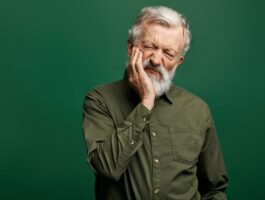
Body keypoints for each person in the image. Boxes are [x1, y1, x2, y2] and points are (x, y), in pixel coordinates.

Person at [82, 6, 228, 200]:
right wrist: (146, 102)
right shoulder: (100, 100)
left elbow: (215, 188)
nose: (156, 60)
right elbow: (107, 168)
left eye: (168, 53)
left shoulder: (197, 110)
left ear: (178, 61)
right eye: (149, 46)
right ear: (130, 47)